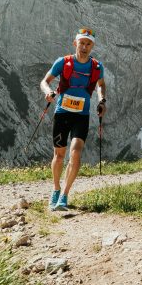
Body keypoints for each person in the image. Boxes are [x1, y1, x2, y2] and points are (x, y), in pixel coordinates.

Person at [39, 26, 107, 210]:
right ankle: (55, 189)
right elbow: (44, 81)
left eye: (88, 44)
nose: (84, 47)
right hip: (62, 113)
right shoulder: (63, 62)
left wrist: (102, 101)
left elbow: (101, 85)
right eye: (81, 43)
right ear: (75, 43)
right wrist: (48, 92)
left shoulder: (96, 67)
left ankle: (65, 195)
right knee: (59, 155)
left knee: (76, 152)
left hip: (82, 116)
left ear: (92, 46)